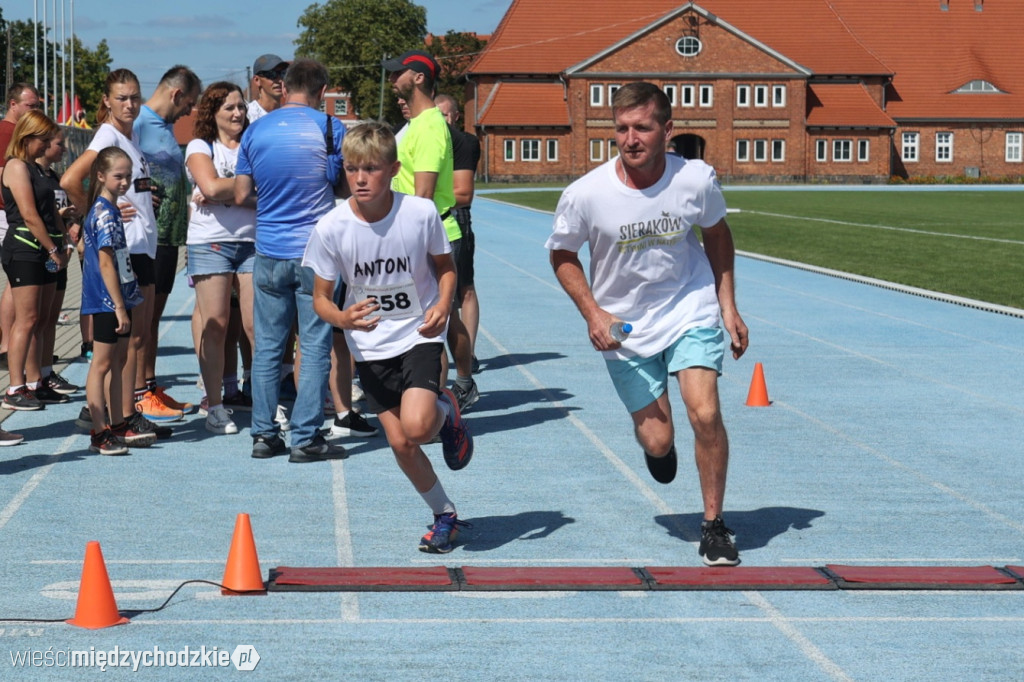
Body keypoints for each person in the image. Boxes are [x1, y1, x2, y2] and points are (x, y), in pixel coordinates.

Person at [546, 82, 749, 567]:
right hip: (626, 327)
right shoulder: (586, 194)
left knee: (704, 412)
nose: (630, 138)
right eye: (621, 128)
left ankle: (714, 525)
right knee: (658, 440)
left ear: (667, 130)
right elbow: (561, 254)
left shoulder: (695, 180)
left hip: (689, 308)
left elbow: (718, 234)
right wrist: (594, 313)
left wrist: (728, 306)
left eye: (642, 127)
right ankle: (660, 450)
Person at [303, 120, 473, 552]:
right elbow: (320, 300)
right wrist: (343, 318)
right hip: (370, 344)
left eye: (372, 169)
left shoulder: (419, 213)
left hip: (418, 332)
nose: (360, 178)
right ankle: (444, 513)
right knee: (400, 443)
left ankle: (445, 411)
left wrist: (442, 305)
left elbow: (446, 268)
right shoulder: (331, 228)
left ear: (393, 169)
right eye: (352, 168)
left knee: (416, 426)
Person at [234, 58, 351, 462]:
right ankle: (305, 437)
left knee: (268, 347)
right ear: (321, 92)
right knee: (315, 346)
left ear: (283, 88)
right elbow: (342, 185)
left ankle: (264, 435)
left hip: (267, 249)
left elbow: (241, 193)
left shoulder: (255, 130)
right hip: (315, 253)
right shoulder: (331, 128)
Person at [62, 68, 173, 441]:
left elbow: (131, 187)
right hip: (128, 250)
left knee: (137, 338)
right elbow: (70, 180)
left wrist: (145, 198)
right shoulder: (108, 134)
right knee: (131, 338)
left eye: (135, 97)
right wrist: (95, 212)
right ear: (107, 101)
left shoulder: (131, 136)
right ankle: (123, 415)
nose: (130, 104)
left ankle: (122, 411)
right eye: (122, 98)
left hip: (142, 245)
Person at [383, 51, 479, 412]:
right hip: (426, 231)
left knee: (433, 319)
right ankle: (457, 387)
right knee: (441, 316)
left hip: (431, 232)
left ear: (419, 78)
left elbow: (422, 195)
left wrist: (401, 238)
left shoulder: (428, 128)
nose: (393, 82)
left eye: (398, 75)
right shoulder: (418, 124)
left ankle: (437, 400)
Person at [185, 81, 257, 435]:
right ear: (212, 114)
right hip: (211, 243)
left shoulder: (253, 145)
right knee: (216, 324)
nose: (238, 113)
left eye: (241, 106)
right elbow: (210, 186)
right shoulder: (201, 146)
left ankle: (265, 402)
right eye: (229, 107)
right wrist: (241, 191)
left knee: (257, 326)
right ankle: (215, 406)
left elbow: (268, 190)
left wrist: (228, 193)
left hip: (253, 243)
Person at [134, 65, 202, 417]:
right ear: (176, 94)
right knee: (143, 321)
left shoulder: (163, 128)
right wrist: (134, 197)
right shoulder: (138, 124)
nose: (190, 112)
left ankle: (149, 385)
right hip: (149, 239)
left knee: (153, 319)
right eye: (188, 104)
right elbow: (107, 172)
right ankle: (139, 392)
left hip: (168, 239)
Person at [80, 147, 154, 455]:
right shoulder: (103, 213)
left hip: (117, 296)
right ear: (100, 176)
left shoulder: (110, 210)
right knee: (102, 364)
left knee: (118, 361)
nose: (124, 182)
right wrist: (119, 305)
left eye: (128, 176)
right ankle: (99, 430)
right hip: (106, 300)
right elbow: (106, 262)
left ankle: (118, 420)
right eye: (117, 176)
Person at [0, 110, 70, 413]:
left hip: (45, 249)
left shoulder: (40, 169)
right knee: (26, 320)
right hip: (24, 249)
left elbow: (50, 211)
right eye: (43, 140)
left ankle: (36, 381)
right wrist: (53, 248)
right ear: (27, 138)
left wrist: (63, 239)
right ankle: (15, 387)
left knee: (41, 320)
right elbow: (29, 214)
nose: (47, 146)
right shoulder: (15, 166)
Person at [434, 94, 482, 373]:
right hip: (434, 216)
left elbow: (463, 193)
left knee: (464, 287)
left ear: (454, 116)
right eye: (436, 115)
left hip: (456, 218)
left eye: (446, 115)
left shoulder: (465, 142)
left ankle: (469, 353)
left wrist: (431, 193)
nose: (441, 120)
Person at [34, 130, 81, 398]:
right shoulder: (31, 175)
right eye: (59, 144)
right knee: (37, 319)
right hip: (41, 254)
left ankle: (46, 371)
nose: (64, 149)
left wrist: (71, 225)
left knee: (51, 317)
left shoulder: (56, 178)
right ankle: (32, 379)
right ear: (43, 145)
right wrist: (58, 216)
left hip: (61, 254)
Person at [0, 84, 42, 371]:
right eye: (31, 105)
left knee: (15, 285)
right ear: (13, 104)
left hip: (18, 215)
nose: (35, 110)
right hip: (8, 214)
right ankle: (6, 344)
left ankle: (14, 347)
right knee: (14, 283)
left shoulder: (21, 134)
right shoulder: (4, 133)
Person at [247, 54, 288, 122]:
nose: (280, 80)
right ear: (257, 80)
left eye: (283, 73)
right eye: (272, 74)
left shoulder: (288, 115)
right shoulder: (247, 116)